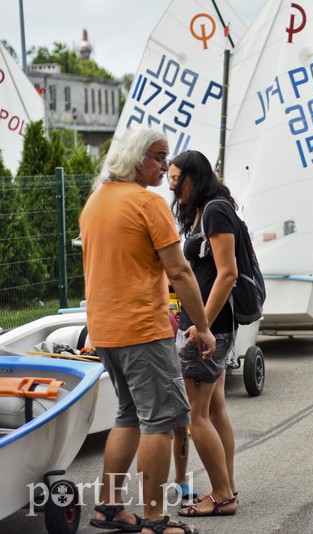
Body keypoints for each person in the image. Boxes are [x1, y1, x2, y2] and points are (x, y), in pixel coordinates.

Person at [81, 128, 211, 534]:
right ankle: (155, 520)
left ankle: (109, 507)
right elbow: (179, 270)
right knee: (160, 420)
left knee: (128, 415)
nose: (163, 167)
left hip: (105, 329)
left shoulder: (95, 201)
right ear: (137, 159)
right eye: (157, 157)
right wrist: (202, 325)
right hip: (142, 328)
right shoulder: (147, 203)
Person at [168, 150, 239, 517]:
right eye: (170, 176)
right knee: (215, 408)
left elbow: (228, 273)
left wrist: (203, 325)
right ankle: (226, 486)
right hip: (207, 325)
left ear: (196, 176)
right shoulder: (198, 212)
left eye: (178, 177)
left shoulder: (214, 209)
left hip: (210, 328)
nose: (172, 183)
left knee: (196, 417)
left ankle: (222, 495)